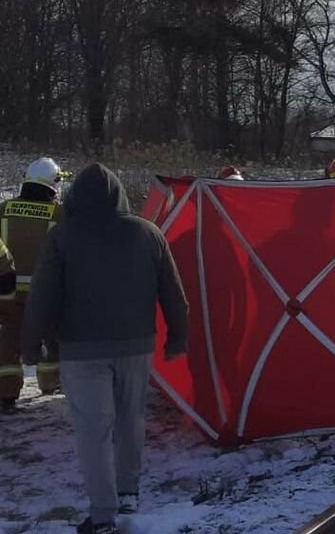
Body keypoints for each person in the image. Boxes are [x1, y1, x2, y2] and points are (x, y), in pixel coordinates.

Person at [22, 163, 189, 534]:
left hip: (82, 350)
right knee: (131, 419)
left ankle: (102, 514)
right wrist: (178, 337)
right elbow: (174, 294)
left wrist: (31, 346)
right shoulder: (149, 234)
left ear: (75, 197)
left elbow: (42, 296)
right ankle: (129, 490)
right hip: (136, 346)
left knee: (93, 429)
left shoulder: (62, 237)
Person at [0, 157, 66, 410]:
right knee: (51, 338)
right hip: (45, 294)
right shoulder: (59, 215)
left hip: (9, 291)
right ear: (53, 185)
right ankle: (49, 382)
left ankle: (6, 392)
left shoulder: (4, 209)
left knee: (8, 338)